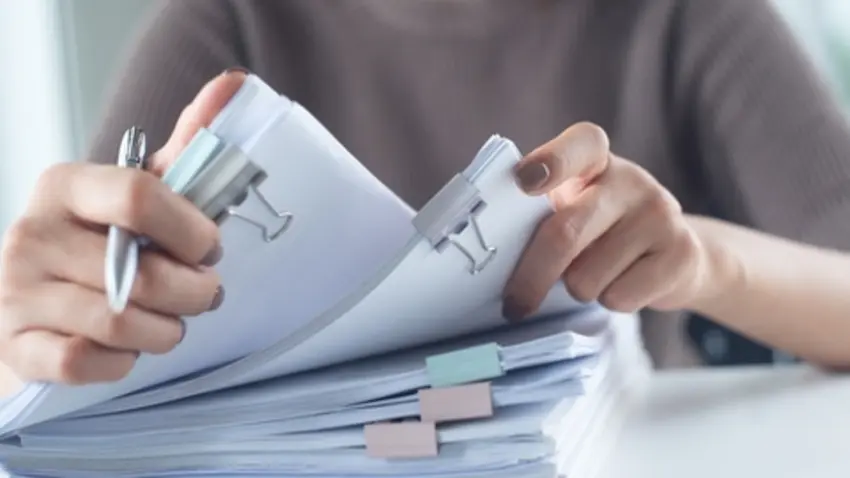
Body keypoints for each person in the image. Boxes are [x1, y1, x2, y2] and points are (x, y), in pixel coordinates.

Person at [1, 0, 850, 389]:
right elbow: (74, 335)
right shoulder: (225, 21)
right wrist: (29, 329)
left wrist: (703, 261)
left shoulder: (688, 18)